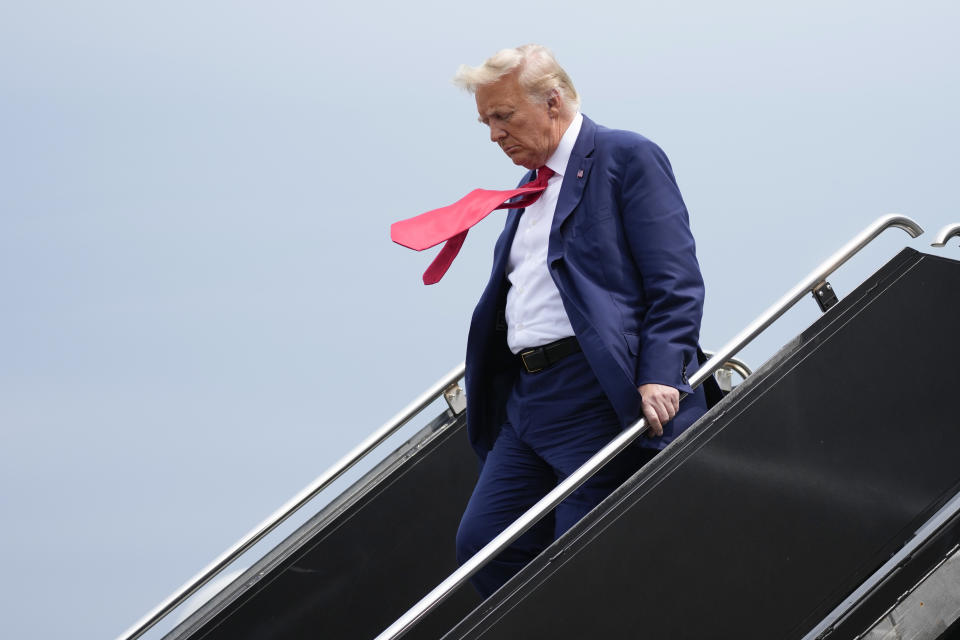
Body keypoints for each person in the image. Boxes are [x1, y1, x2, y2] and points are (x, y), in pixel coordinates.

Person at [452, 44, 711, 598]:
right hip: (527, 400)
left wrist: (662, 372)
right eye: (486, 122)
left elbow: (676, 280)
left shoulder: (625, 156)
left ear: (552, 102)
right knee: (484, 545)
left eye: (503, 116)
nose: (494, 135)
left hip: (594, 390)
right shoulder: (529, 188)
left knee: (580, 560)